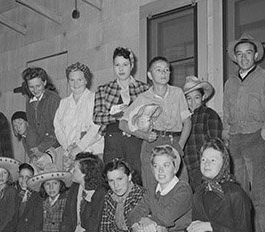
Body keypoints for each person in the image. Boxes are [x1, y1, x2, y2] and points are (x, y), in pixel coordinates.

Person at [223, 33, 265, 232]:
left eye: (248, 53)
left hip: (256, 139)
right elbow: (226, 112)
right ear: (235, 58)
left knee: (261, 197)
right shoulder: (230, 83)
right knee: (239, 196)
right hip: (235, 141)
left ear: (255, 55)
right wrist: (227, 136)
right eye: (240, 54)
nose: (244, 58)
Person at [122, 56, 190, 192]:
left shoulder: (177, 93)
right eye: (158, 70)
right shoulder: (143, 98)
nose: (163, 73)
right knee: (152, 189)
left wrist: (180, 146)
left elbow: (187, 122)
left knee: (181, 188)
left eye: (166, 70)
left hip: (173, 143)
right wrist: (143, 135)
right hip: (152, 145)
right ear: (150, 75)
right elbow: (123, 124)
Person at [93, 47, 149, 166]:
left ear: (131, 65)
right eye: (117, 65)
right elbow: (96, 117)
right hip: (113, 140)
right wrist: (118, 116)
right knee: (113, 177)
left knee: (137, 178)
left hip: (137, 141)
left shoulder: (144, 89)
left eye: (125, 64)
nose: (121, 69)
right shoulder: (104, 89)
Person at [53, 62, 103, 169]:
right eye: (72, 80)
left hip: (92, 153)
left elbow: (97, 127)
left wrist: (79, 147)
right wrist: (68, 148)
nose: (75, 84)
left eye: (79, 80)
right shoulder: (63, 103)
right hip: (70, 155)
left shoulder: (95, 98)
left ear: (86, 80)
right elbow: (58, 128)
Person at [181, 75, 222, 193]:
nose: (193, 102)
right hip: (186, 168)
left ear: (203, 97)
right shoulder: (183, 119)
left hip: (204, 167)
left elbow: (215, 144)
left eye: (197, 97)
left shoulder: (210, 115)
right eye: (189, 98)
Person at [24, 67, 61, 171]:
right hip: (39, 147)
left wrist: (41, 148)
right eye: (31, 87)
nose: (35, 90)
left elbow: (57, 129)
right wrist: (33, 152)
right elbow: (32, 128)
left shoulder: (53, 99)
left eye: (38, 86)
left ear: (44, 82)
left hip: (54, 145)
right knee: (31, 168)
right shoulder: (29, 102)